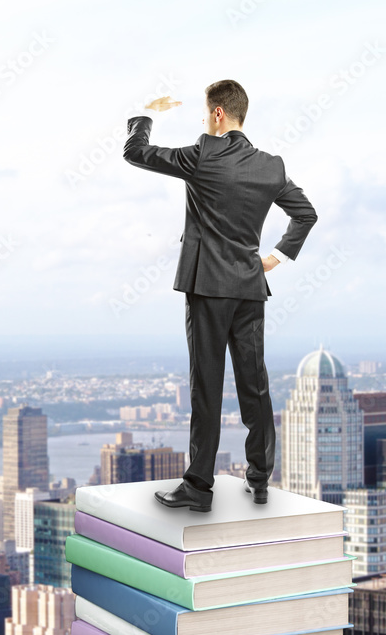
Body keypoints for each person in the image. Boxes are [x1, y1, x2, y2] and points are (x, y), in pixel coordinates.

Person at [122, 79, 317, 510]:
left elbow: (135, 153)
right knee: (255, 385)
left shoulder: (204, 154)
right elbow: (306, 214)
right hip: (249, 286)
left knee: (206, 387)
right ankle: (260, 478)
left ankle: (199, 487)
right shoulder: (271, 166)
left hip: (208, 287)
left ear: (216, 114)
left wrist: (145, 115)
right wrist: (276, 257)